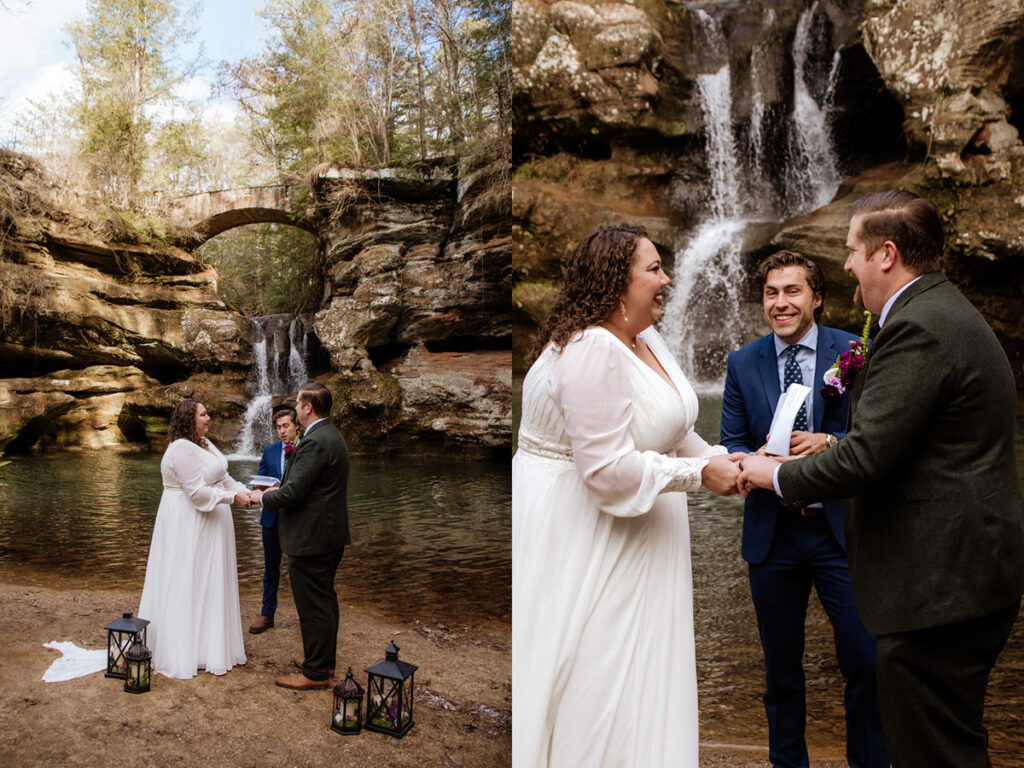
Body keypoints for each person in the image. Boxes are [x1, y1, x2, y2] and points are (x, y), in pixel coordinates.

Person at [739, 190, 1024, 767]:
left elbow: (866, 458)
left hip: (939, 590)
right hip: (964, 578)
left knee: (935, 751)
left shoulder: (917, 328)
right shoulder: (941, 312)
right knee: (950, 743)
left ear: (886, 254)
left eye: (852, 251)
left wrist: (773, 473)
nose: (845, 264)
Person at [512, 224, 743, 767]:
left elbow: (672, 425)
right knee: (601, 670)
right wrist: (698, 475)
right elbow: (606, 471)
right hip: (587, 532)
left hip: (640, 528)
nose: (667, 279)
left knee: (642, 667)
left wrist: (730, 460)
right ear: (619, 282)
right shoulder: (591, 347)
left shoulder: (643, 337)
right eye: (654, 269)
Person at [721, 250, 888, 768]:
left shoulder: (857, 348)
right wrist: (752, 462)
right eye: (772, 293)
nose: (781, 303)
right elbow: (731, 444)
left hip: (841, 530)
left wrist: (832, 442)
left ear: (817, 297)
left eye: (792, 291)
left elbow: (878, 432)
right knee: (781, 669)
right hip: (773, 533)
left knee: (865, 660)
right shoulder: (741, 362)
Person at [137, 399, 251, 679]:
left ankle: (208, 646)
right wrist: (232, 498)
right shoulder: (181, 449)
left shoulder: (205, 444)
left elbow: (223, 478)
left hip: (212, 522)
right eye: (203, 414)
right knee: (188, 578)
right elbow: (197, 493)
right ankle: (184, 650)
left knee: (210, 581)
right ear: (189, 419)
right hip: (189, 522)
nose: (209, 418)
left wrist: (249, 492)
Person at [251, 382, 350, 690]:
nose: (294, 408)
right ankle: (323, 662)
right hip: (326, 534)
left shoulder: (316, 440)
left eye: (297, 403)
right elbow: (305, 485)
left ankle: (316, 672)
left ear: (308, 408)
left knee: (313, 606)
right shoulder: (327, 434)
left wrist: (261, 499)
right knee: (324, 600)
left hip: (313, 538)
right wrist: (277, 488)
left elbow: (294, 492)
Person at [248, 407, 300, 635]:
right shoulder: (269, 450)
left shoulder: (305, 449)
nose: (282, 431)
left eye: (286, 425)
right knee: (270, 569)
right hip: (271, 519)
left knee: (300, 570)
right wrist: (261, 488)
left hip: (297, 518)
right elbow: (260, 478)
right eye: (278, 427)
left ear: (296, 425)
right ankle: (267, 614)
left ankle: (305, 617)